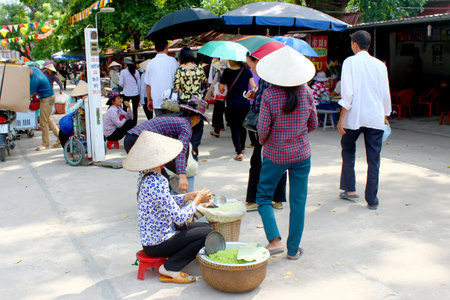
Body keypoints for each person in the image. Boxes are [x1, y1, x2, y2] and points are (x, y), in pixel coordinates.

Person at [122, 131, 213, 284]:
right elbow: (179, 217)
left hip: (155, 236)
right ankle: (171, 267)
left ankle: (175, 260)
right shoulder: (157, 182)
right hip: (158, 242)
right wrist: (197, 201)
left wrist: (187, 196)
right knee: (207, 234)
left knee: (205, 228)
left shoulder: (146, 175)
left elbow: (165, 201)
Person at [255, 46, 318, 259]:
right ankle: (293, 250)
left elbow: (262, 129)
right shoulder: (308, 93)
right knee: (298, 202)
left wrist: (267, 142)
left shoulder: (270, 95)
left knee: (263, 196)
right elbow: (313, 123)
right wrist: (297, 135)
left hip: (275, 154)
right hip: (302, 154)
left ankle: (274, 240)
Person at [337, 30, 392, 210]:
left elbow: (348, 93)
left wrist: (341, 119)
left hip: (355, 116)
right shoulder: (380, 65)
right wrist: (385, 115)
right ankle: (372, 199)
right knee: (374, 159)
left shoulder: (350, 62)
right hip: (375, 117)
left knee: (348, 149)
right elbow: (385, 93)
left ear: (355, 44)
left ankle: (350, 189)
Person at [124, 98, 209, 192]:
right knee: (161, 178)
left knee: (151, 175)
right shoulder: (186, 127)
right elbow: (181, 151)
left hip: (130, 138)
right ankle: (165, 201)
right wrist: (182, 176)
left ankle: (149, 198)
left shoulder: (176, 119)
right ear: (197, 117)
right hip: (139, 141)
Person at [244, 54, 287, 212]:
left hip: (268, 127)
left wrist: (255, 100)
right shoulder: (280, 75)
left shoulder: (266, 77)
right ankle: (278, 198)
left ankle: (256, 199)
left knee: (257, 162)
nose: (251, 68)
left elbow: (259, 106)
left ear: (257, 61)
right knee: (280, 160)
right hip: (283, 126)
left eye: (250, 64)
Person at [218, 60, 256, 161]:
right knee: (242, 126)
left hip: (232, 104)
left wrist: (222, 85)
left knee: (234, 127)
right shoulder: (247, 72)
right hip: (244, 103)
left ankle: (239, 151)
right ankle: (242, 147)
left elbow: (221, 88)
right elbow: (254, 86)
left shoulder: (226, 72)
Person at [173, 47, 207, 158]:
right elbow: (204, 81)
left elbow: (175, 88)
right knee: (198, 125)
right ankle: (195, 146)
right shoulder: (199, 68)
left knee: (186, 125)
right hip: (197, 102)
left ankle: (186, 148)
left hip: (185, 102)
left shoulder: (179, 70)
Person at [145, 40, 179, 116]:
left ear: (155, 49)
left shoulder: (150, 63)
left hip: (157, 100)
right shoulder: (173, 61)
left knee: (160, 126)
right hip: (171, 100)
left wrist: (149, 100)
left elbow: (148, 85)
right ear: (167, 47)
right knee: (172, 125)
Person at [29, 67, 60, 151]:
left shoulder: (33, 80)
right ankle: (60, 137)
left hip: (47, 99)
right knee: (48, 119)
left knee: (43, 121)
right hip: (51, 96)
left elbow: (30, 95)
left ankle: (45, 144)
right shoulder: (34, 69)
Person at [58, 81, 88, 151]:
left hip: (84, 125)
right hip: (75, 123)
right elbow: (68, 112)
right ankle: (68, 152)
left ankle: (68, 152)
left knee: (62, 132)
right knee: (62, 132)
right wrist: (80, 102)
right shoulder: (71, 99)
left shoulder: (88, 99)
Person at [119, 58, 141, 123]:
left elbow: (121, 83)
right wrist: (139, 93)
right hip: (135, 93)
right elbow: (139, 84)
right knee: (135, 110)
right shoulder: (136, 72)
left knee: (125, 109)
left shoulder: (123, 72)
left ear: (126, 64)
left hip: (126, 93)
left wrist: (125, 86)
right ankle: (134, 123)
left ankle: (125, 122)